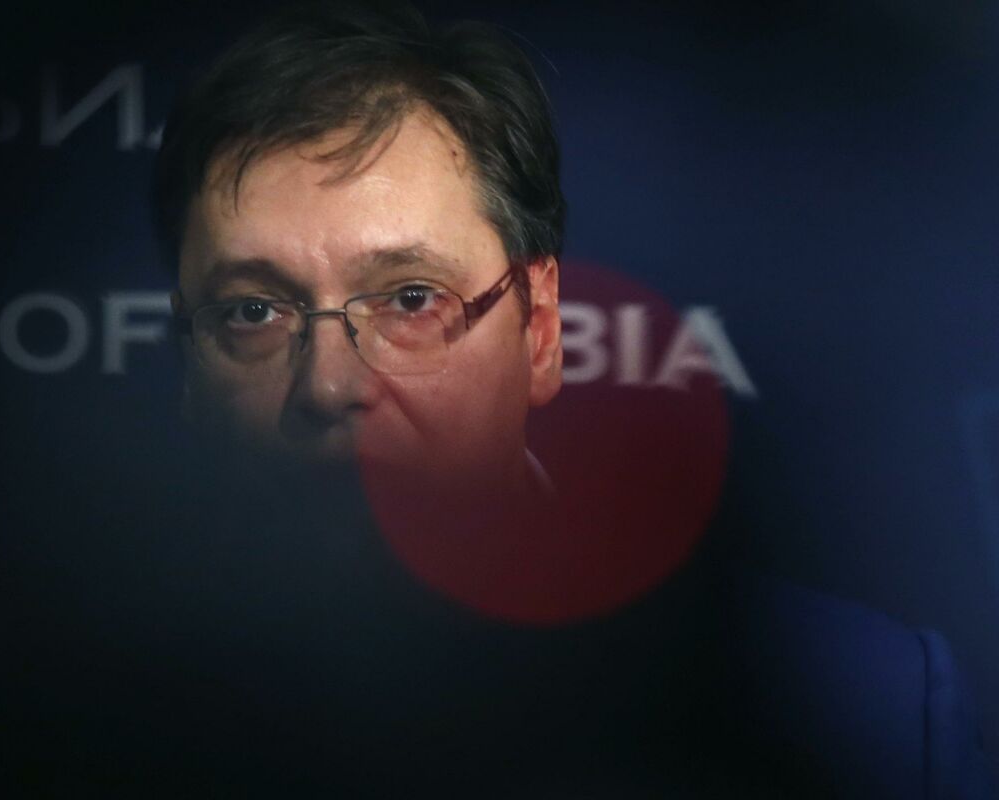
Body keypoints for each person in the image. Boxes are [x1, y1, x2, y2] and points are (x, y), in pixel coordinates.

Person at [148, 2, 996, 797]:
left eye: (411, 299)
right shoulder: (90, 716)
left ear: (541, 331)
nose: (329, 384)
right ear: (188, 357)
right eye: (252, 312)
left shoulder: (856, 706)